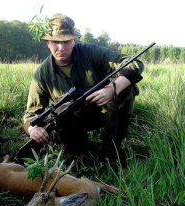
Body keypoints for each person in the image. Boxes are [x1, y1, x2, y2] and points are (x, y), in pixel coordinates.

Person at [23, 13, 144, 164]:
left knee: (126, 88)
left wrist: (112, 89)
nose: (61, 47)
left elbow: (134, 63)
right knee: (59, 116)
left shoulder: (91, 52)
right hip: (72, 122)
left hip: (104, 112)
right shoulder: (42, 74)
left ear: (74, 40)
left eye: (66, 41)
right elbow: (30, 115)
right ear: (47, 42)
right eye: (55, 42)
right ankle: (78, 153)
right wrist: (32, 130)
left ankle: (111, 149)